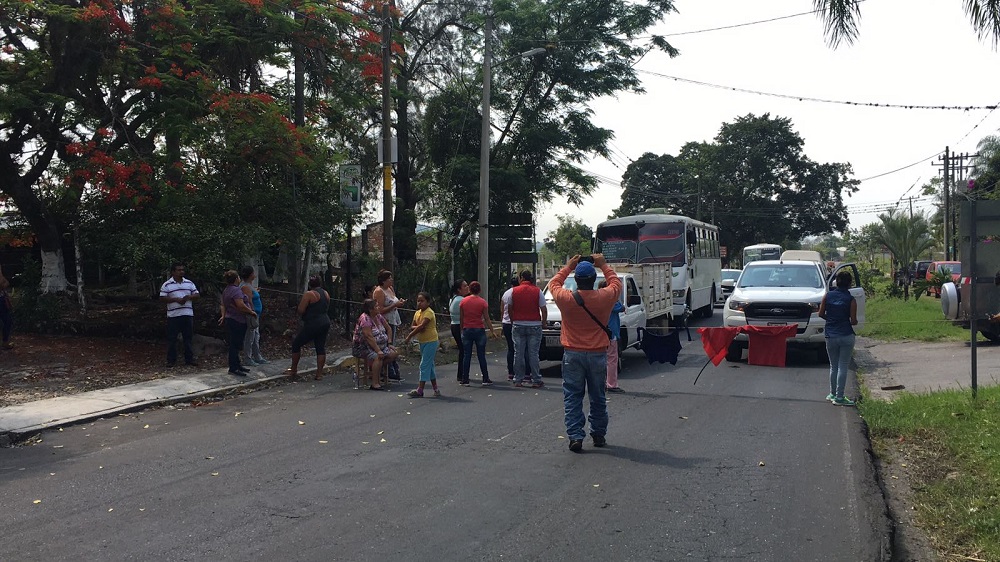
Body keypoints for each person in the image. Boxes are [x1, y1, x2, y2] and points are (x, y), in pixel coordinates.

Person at [548, 255, 621, 453]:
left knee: (572, 396)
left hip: (572, 354)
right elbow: (616, 283)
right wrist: (604, 264)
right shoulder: (604, 297)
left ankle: (575, 436)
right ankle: (598, 434)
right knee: (597, 396)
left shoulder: (566, 299)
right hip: (597, 354)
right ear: (594, 280)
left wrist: (569, 266)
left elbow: (553, 283)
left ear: (577, 280)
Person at [818, 270, 858, 406]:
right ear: (850, 284)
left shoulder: (827, 296)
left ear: (836, 282)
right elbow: (853, 321)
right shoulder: (851, 300)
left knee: (833, 366)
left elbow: (820, 313)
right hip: (846, 335)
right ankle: (840, 397)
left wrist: (831, 319)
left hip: (830, 334)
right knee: (843, 366)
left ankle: (832, 393)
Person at [507, 269, 547, 389]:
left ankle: (518, 379)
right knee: (533, 354)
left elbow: (509, 308)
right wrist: (543, 323)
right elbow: (544, 309)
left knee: (518, 353)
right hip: (534, 325)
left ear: (521, 278)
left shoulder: (513, 291)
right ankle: (536, 379)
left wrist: (513, 320)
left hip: (518, 324)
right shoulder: (537, 291)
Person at [286, 276, 331, 380]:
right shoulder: (325, 293)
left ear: (310, 284)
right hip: (325, 321)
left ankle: (293, 369)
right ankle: (319, 374)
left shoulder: (309, 294)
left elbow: (301, 310)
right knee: (320, 347)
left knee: (296, 344)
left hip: (313, 323)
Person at [352, 298, 399, 390]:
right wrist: (378, 350)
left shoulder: (379, 316)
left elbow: (388, 329)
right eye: (376, 306)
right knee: (378, 357)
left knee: (393, 353)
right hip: (364, 347)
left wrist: (389, 342)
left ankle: (376, 368)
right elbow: (368, 336)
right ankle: (375, 383)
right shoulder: (365, 319)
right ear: (370, 309)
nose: (378, 308)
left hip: (381, 345)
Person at [159, 263, 200, 367]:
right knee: (172, 339)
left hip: (187, 314)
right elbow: (162, 298)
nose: (181, 272)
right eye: (178, 270)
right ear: (173, 272)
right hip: (174, 315)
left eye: (182, 270)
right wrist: (175, 299)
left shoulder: (189, 283)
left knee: (188, 338)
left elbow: (197, 294)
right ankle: (171, 360)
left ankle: (189, 359)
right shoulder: (167, 284)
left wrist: (189, 297)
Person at [220, 270, 257, 376]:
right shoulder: (236, 291)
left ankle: (237, 364)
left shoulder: (226, 290)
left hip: (230, 318)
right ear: (236, 279)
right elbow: (240, 305)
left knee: (235, 343)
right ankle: (233, 367)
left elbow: (223, 304)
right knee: (235, 344)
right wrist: (251, 312)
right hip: (237, 319)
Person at [459, 281, 496, 386]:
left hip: (467, 329)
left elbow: (461, 318)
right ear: (479, 290)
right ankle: (485, 378)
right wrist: (492, 331)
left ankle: (465, 379)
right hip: (479, 330)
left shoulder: (463, 302)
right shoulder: (483, 302)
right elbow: (487, 318)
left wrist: (462, 329)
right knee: (481, 355)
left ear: (469, 290)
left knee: (467, 355)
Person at [404, 292, 440, 398]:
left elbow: (421, 326)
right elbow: (414, 326)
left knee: (424, 365)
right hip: (422, 341)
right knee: (430, 365)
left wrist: (409, 336)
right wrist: (417, 327)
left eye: (422, 301)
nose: (419, 303)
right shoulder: (417, 313)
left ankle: (420, 390)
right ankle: (436, 389)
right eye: (418, 300)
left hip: (431, 341)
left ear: (428, 302)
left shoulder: (429, 313)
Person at [373, 270, 406, 381]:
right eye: (389, 278)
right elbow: (380, 309)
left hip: (393, 319)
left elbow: (394, 301)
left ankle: (391, 369)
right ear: (383, 280)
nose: (391, 280)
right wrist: (394, 305)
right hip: (384, 320)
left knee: (392, 343)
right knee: (386, 344)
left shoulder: (390, 289)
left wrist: (399, 303)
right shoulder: (379, 291)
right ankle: (387, 370)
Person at [599, 279, 626, 393]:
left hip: (599, 333)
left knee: (601, 359)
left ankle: (602, 382)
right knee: (612, 359)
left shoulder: (596, 300)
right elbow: (622, 307)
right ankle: (612, 384)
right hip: (611, 332)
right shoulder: (611, 300)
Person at [239, 265, 267, 366]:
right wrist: (252, 312)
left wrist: (256, 291)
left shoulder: (249, 285)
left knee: (256, 336)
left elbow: (253, 294)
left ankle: (257, 356)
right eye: (253, 273)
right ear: (250, 274)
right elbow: (249, 301)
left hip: (256, 315)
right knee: (250, 337)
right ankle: (248, 358)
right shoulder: (245, 286)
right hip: (251, 315)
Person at [449, 279, 469, 383]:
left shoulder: (453, 299)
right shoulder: (461, 300)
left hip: (454, 325)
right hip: (459, 326)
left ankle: (461, 374)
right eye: (464, 286)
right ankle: (462, 374)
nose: (467, 287)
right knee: (464, 351)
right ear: (459, 289)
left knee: (462, 350)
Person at [499, 276, 518, 382]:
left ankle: (511, 372)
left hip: (506, 323)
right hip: (516, 322)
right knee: (519, 349)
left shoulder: (505, 294)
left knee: (510, 348)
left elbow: (502, 310)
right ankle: (521, 371)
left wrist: (502, 323)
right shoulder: (518, 293)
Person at [0, 268, 12, 350]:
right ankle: (5, 341)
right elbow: (2, 282)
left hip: (1, 298)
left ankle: (5, 341)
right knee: (7, 320)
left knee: (7, 320)